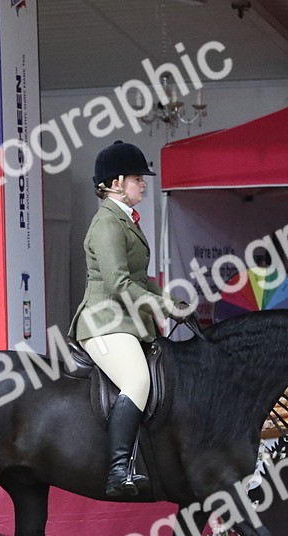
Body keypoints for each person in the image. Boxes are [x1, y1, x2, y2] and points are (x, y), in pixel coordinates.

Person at [69, 140, 185, 497]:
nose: (144, 184)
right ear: (116, 182)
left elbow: (140, 278)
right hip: (104, 322)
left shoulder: (125, 220)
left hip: (127, 320)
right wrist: (161, 308)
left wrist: (171, 300)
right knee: (136, 380)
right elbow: (119, 283)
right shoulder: (107, 224)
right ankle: (118, 469)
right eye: (138, 178)